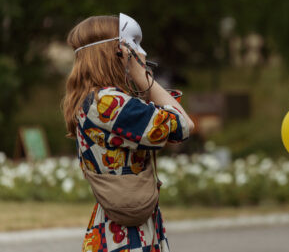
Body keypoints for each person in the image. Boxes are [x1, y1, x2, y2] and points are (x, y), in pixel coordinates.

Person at [62, 14, 194, 252]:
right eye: (133, 45)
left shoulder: (93, 100)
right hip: (127, 235)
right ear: (115, 52)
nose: (140, 53)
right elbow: (183, 125)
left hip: (113, 219)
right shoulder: (108, 102)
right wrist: (142, 75)